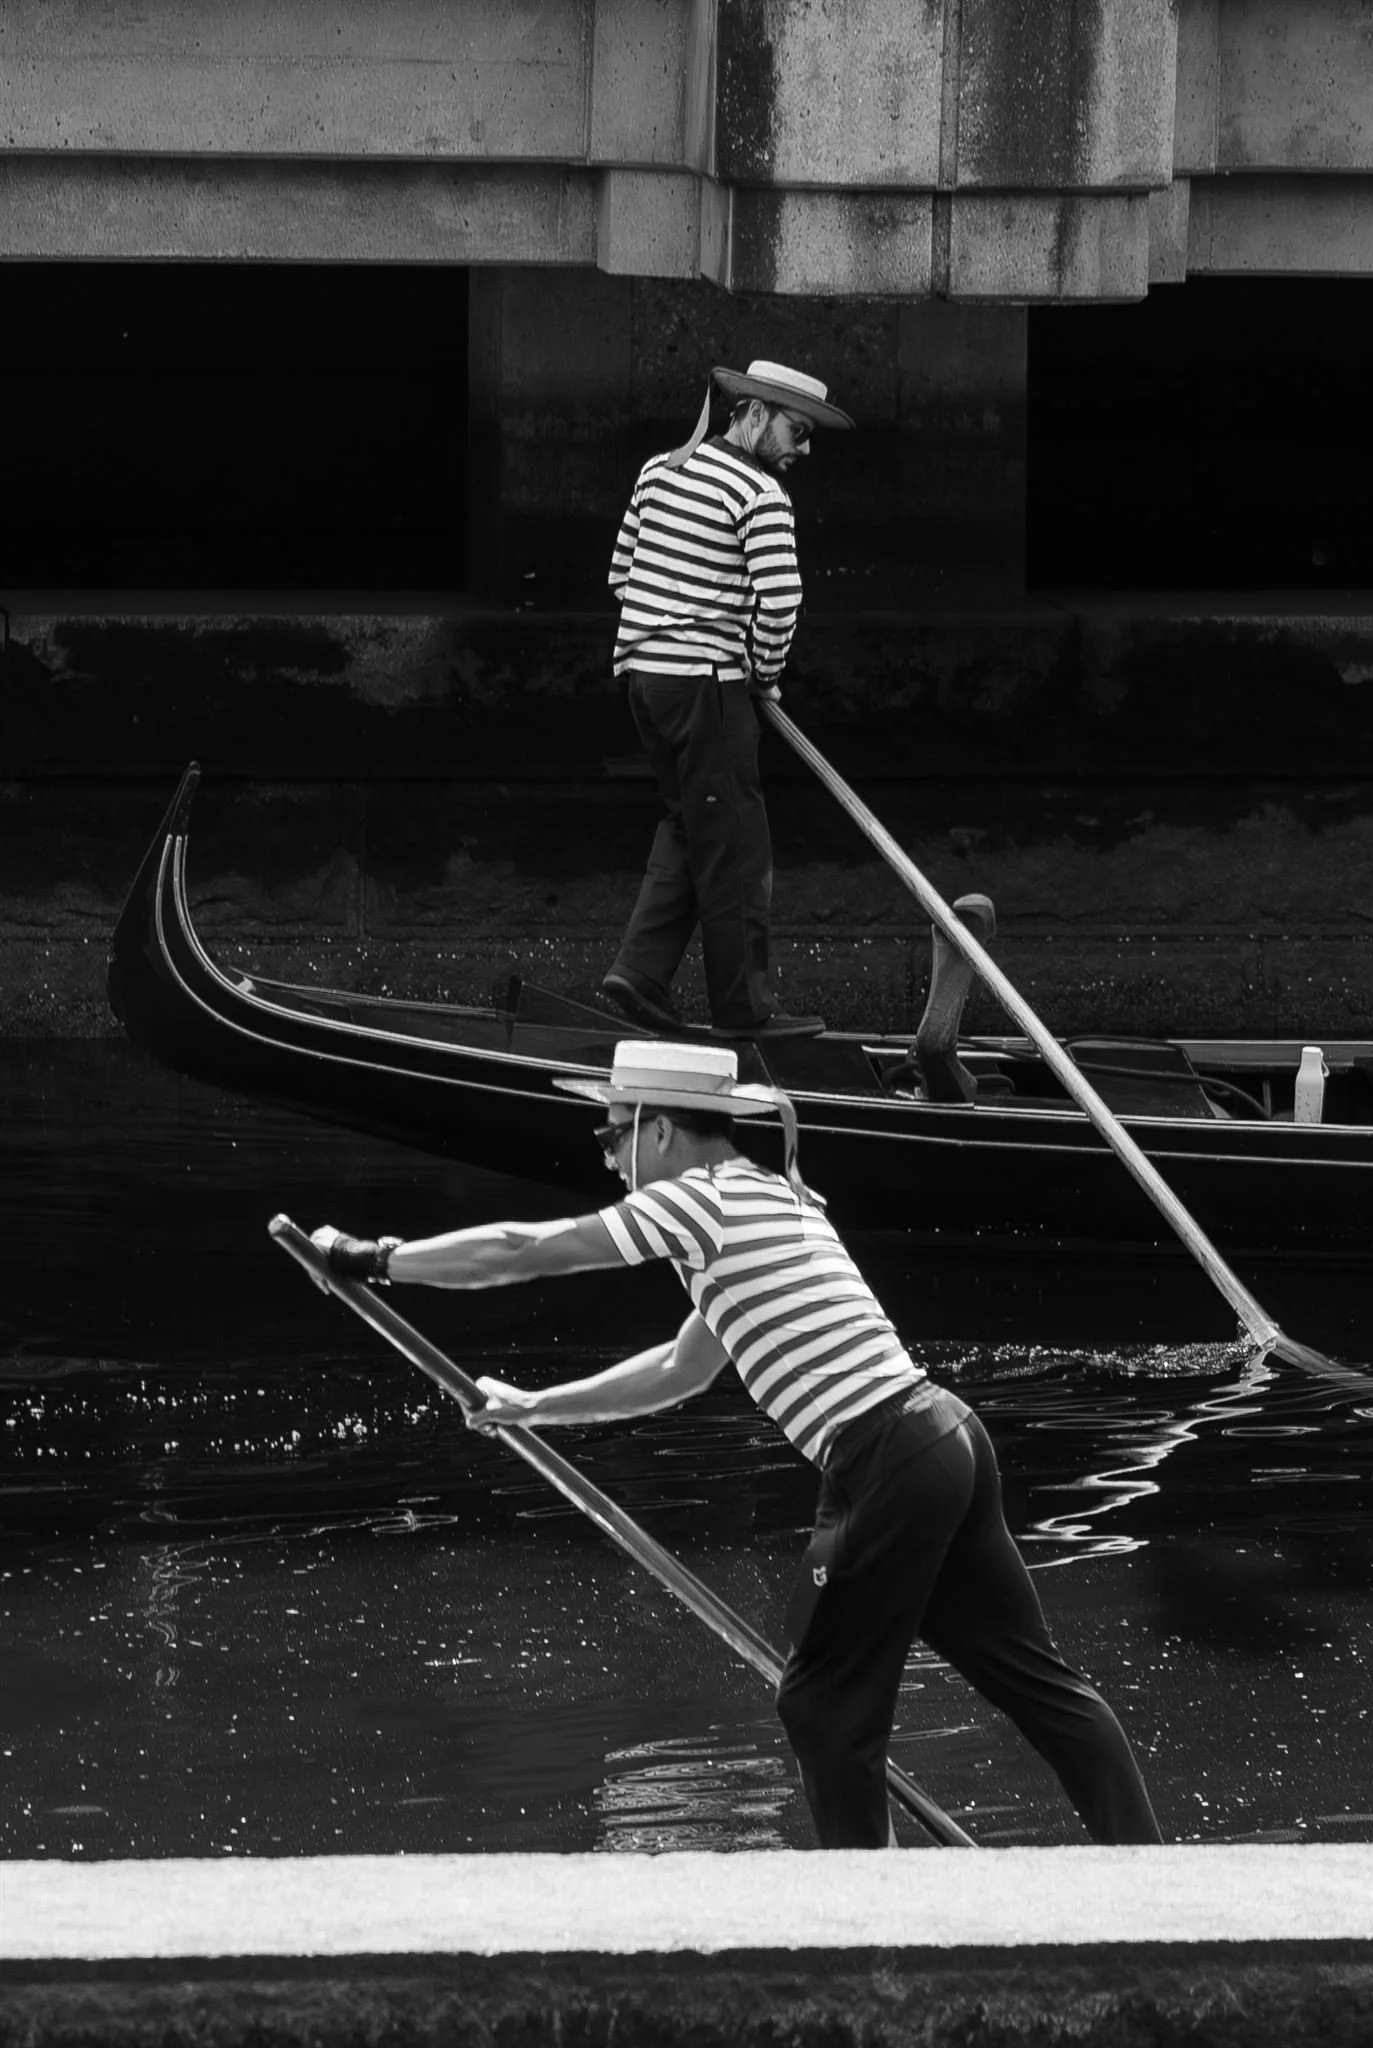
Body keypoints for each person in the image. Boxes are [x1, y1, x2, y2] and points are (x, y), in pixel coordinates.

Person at [321, 1039, 1163, 1851]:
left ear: (656, 1128)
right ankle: (1157, 1878)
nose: (609, 1158)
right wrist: (537, 1406)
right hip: (944, 1436)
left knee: (822, 1710)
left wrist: (375, 1258)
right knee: (1039, 1687)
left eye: (611, 1134)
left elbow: (526, 1250)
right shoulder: (764, 1197)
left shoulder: (699, 1198)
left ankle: (886, 1937)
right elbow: (683, 1368)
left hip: (886, 1457)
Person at [600, 359, 854, 1043]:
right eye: (796, 432)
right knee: (736, 847)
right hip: (707, 687)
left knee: (691, 826)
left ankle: (639, 975)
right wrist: (763, 676)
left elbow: (621, 575)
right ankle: (745, 1012)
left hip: (644, 684)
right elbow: (781, 604)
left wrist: (674, 626)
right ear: (750, 414)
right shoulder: (761, 496)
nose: (802, 450)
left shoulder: (660, 469)